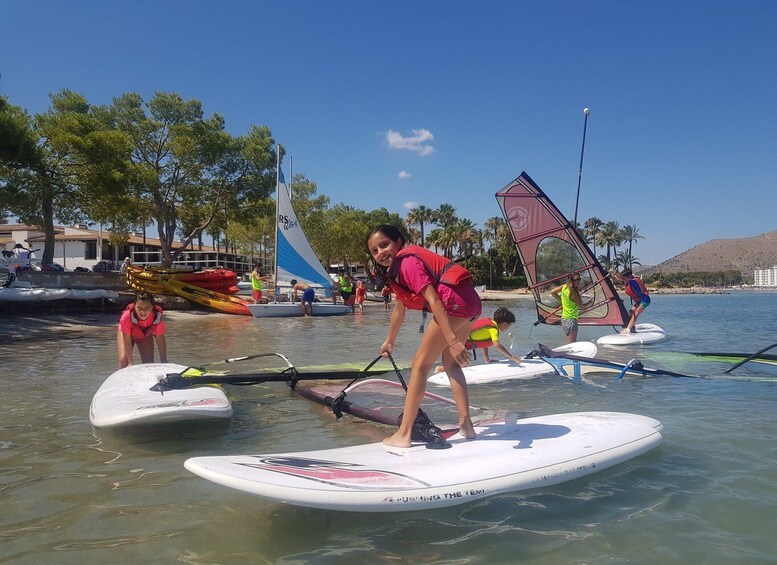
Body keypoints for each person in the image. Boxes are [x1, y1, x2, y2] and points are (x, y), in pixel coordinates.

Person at [367, 224, 481, 448]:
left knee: (419, 365)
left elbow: (435, 301)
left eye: (384, 245)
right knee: (451, 364)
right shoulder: (398, 271)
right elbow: (400, 310)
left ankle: (404, 434)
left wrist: (452, 340)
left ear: (399, 242)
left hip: (453, 305)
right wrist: (390, 341)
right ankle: (466, 425)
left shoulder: (407, 263)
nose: (380, 253)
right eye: (374, 250)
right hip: (471, 305)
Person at [117, 291, 167, 368]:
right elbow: (127, 341)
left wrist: (164, 361)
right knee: (124, 361)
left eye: (147, 308)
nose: (143, 312)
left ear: (153, 307)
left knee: (149, 364)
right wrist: (130, 363)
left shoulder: (157, 317)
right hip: (127, 335)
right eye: (139, 308)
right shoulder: (126, 317)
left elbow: (160, 338)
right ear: (134, 306)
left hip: (144, 335)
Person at [610, 268, 651, 333]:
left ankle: (628, 329)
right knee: (631, 312)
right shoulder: (627, 282)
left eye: (625, 277)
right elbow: (617, 280)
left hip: (645, 300)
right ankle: (632, 327)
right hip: (639, 301)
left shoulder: (633, 281)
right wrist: (610, 275)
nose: (623, 278)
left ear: (629, 276)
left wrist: (614, 273)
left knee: (636, 313)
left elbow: (622, 278)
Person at [549, 273, 584, 343]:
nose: (578, 282)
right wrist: (590, 302)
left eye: (579, 279)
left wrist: (562, 300)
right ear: (571, 280)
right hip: (571, 320)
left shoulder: (564, 287)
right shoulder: (573, 294)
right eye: (576, 280)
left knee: (570, 343)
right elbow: (582, 307)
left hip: (565, 320)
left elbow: (552, 292)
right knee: (571, 344)